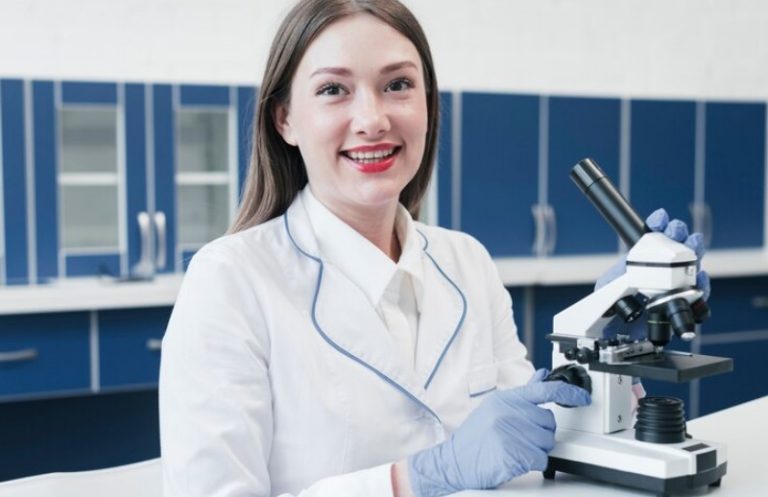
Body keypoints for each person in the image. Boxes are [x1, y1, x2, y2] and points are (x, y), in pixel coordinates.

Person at [158, 1, 705, 496]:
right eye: (333, 89)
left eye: (398, 85)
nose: (373, 119)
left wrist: (610, 336)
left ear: (427, 105)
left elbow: (536, 436)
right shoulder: (230, 280)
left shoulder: (467, 261)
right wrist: (416, 478)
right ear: (285, 120)